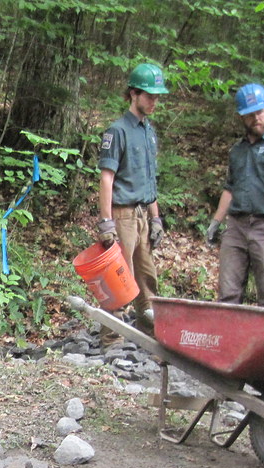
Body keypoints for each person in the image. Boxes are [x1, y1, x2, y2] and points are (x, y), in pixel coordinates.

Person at [204, 83, 264, 308]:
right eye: (249, 115)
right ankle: (228, 340)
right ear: (242, 117)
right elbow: (230, 188)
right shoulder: (237, 151)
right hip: (236, 227)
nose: (255, 118)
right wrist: (216, 222)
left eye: (259, 112)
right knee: (228, 294)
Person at [97, 62, 168, 341]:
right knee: (119, 278)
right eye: (149, 96)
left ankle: (148, 334)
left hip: (143, 214)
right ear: (133, 94)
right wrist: (106, 222)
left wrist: (156, 217)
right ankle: (111, 340)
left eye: (157, 96)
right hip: (123, 214)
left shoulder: (149, 132)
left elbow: (149, 180)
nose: (154, 101)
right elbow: (106, 179)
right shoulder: (117, 131)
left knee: (146, 277)